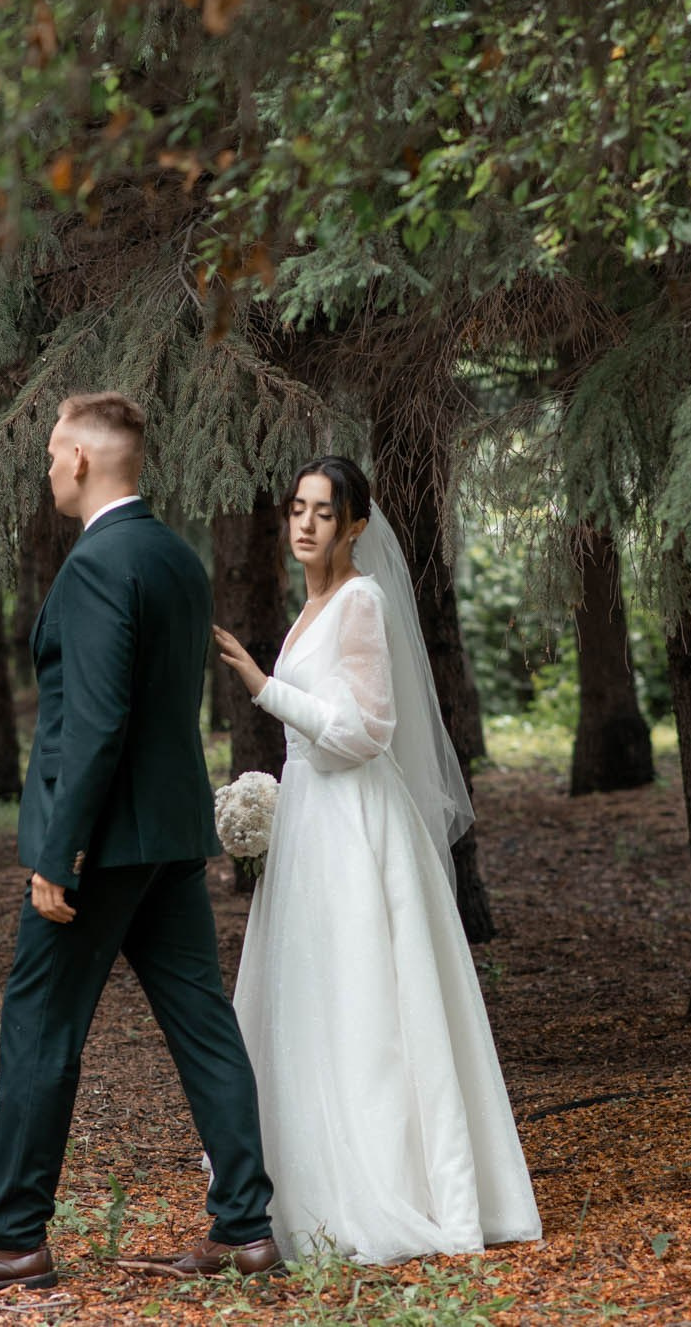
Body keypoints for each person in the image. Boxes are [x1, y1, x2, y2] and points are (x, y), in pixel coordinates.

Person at [0, 392, 278, 1292]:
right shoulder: (176, 559)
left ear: (79, 459)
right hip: (169, 837)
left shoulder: (95, 566)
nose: (46, 471)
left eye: (49, 455)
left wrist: (59, 851)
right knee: (203, 1025)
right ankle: (245, 1226)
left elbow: (99, 721)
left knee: (39, 1026)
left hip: (101, 847)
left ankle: (11, 1237)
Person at [211, 455, 541, 1264]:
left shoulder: (361, 599)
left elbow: (367, 733)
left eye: (325, 512)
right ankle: (308, 1187)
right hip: (312, 823)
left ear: (356, 525)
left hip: (356, 823)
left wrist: (264, 687)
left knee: (367, 1000)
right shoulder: (311, 607)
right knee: (313, 1000)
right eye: (297, 508)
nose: (305, 524)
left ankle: (389, 1192)